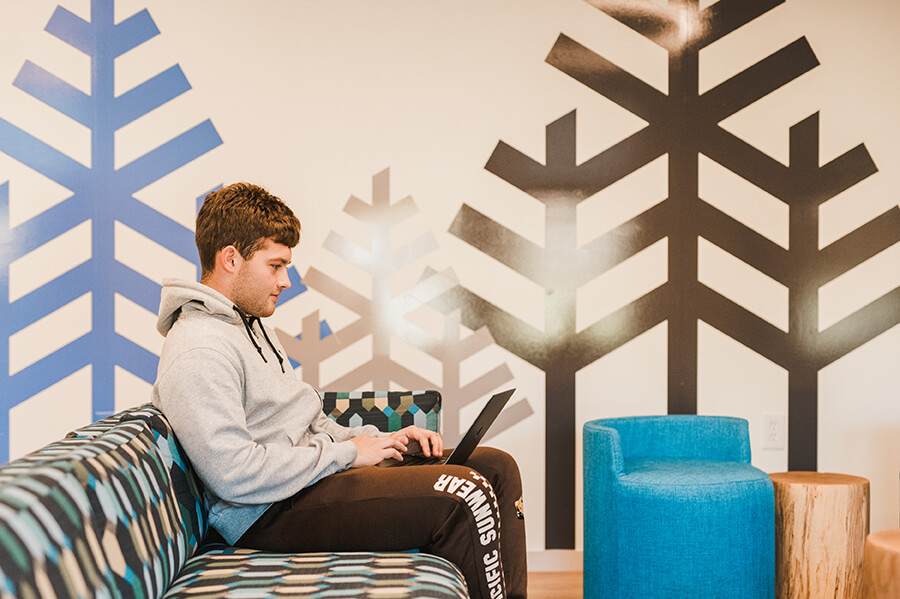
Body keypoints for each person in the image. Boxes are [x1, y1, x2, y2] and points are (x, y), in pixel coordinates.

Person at [151, 182, 527, 599]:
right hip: (267, 512)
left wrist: (384, 443)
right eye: (275, 266)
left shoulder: (249, 324)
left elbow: (306, 422)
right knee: (463, 494)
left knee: (496, 467)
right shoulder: (199, 347)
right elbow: (234, 476)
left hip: (306, 482)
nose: (286, 280)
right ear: (231, 259)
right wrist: (349, 454)